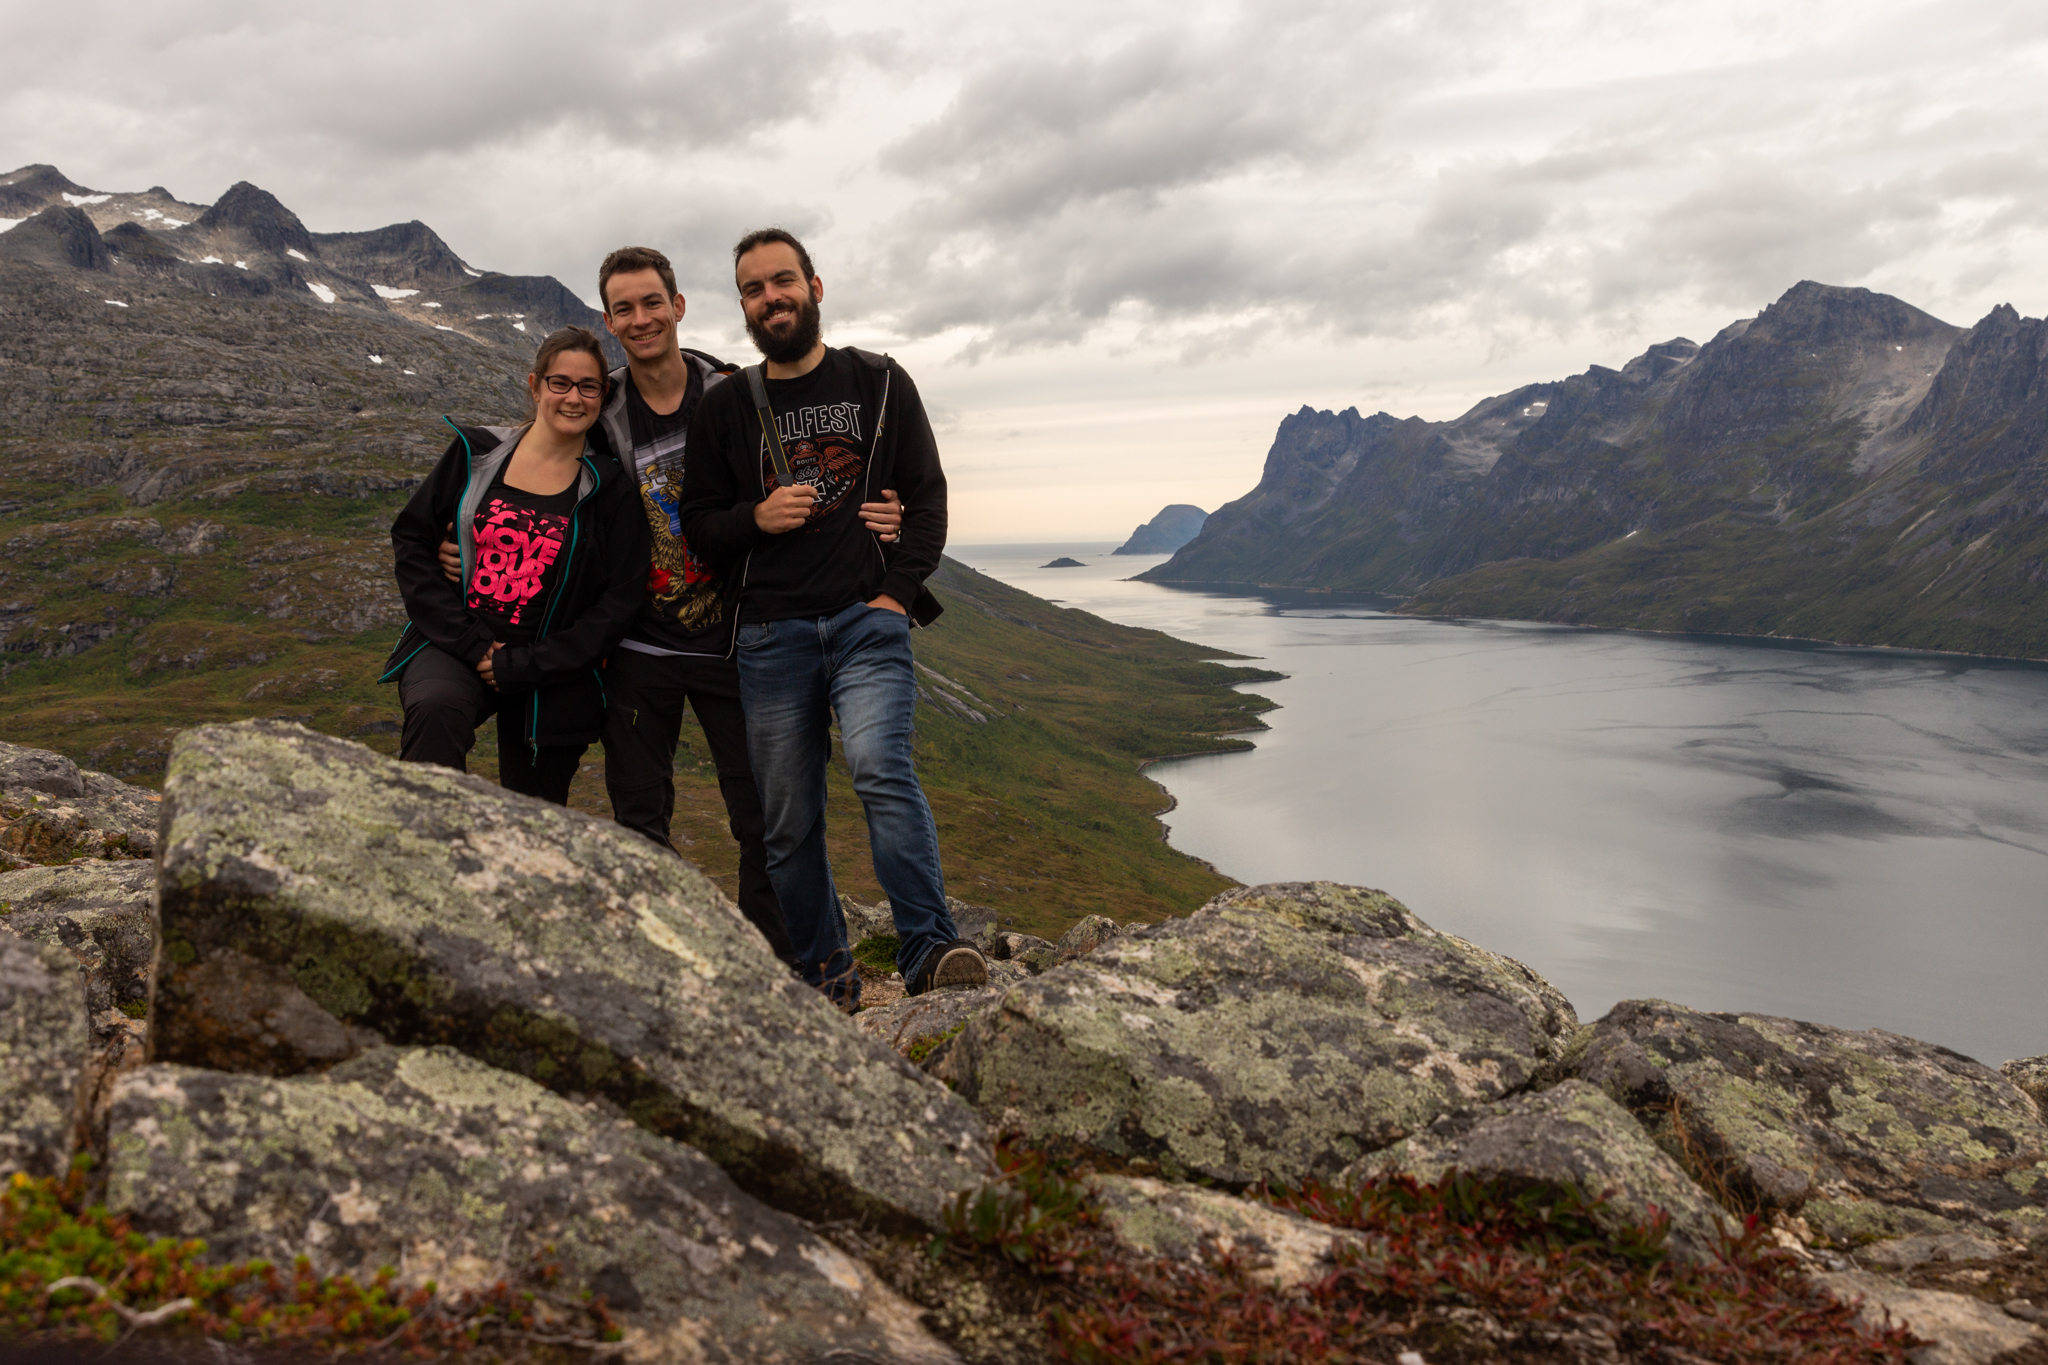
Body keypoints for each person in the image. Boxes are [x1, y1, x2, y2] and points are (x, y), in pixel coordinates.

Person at [433, 247, 904, 965]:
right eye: (624, 308)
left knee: (762, 819)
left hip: (738, 641)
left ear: (679, 306)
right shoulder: (597, 407)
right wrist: (463, 536)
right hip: (637, 649)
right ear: (608, 319)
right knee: (638, 820)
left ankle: (774, 974)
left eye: (653, 302)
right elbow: (527, 466)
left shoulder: (736, 391)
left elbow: (813, 475)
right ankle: (657, 971)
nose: (641, 318)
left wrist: (888, 512)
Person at [678, 227, 985, 1008]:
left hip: (864, 623)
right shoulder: (726, 408)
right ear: (743, 306)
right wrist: (759, 516)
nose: (770, 297)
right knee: (787, 822)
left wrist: (896, 591)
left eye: (783, 280)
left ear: (816, 286)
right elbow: (702, 527)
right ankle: (826, 976)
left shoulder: (880, 382)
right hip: (769, 635)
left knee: (882, 768)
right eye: (753, 288)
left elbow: (928, 497)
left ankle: (928, 952)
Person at [383, 326, 647, 803]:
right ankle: (419, 854)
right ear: (535, 385)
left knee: (534, 812)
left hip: (552, 671)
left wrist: (526, 663)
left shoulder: (611, 490)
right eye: (559, 383)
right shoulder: (477, 455)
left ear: (602, 395)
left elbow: (619, 602)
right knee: (435, 712)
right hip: (457, 645)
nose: (573, 397)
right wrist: (477, 646)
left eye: (588, 386)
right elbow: (413, 540)